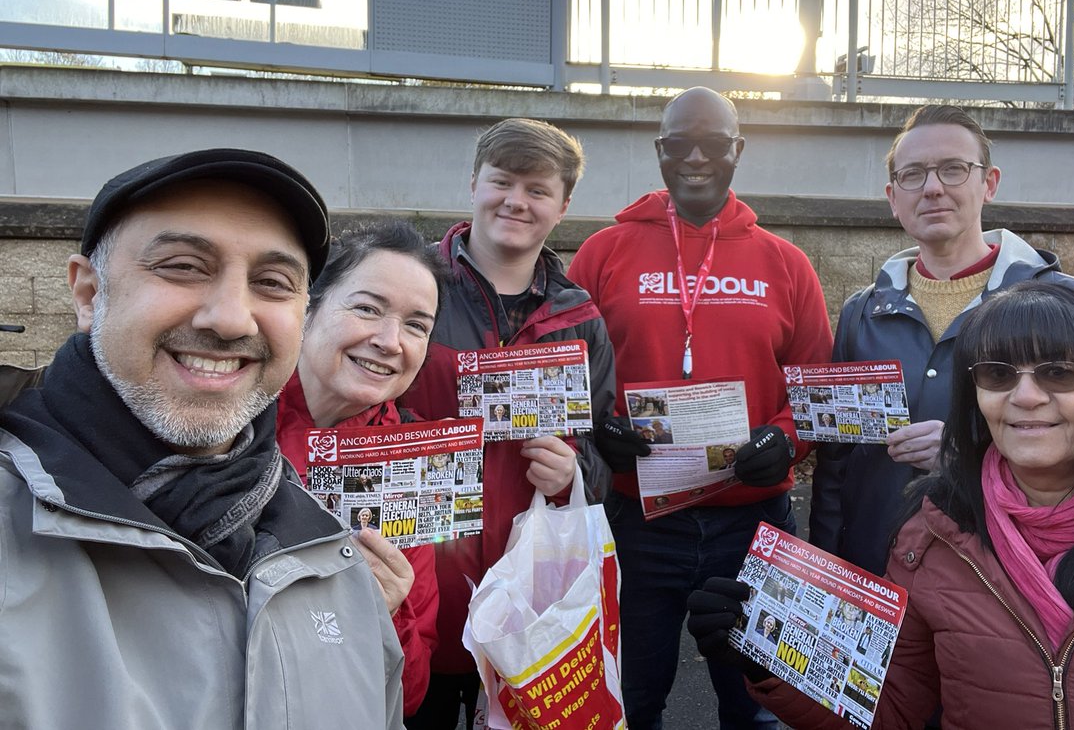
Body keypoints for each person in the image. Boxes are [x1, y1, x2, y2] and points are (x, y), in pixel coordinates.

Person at [0, 149, 405, 728]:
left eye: (272, 282)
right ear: (89, 293)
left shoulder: (333, 563)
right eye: (183, 266)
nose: (232, 318)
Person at [688, 282, 1074, 728]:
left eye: (1058, 372)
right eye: (998, 374)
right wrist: (769, 658)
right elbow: (892, 709)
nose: (1025, 396)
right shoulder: (929, 536)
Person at [568, 87, 833, 729]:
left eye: (712, 144)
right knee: (630, 703)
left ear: (737, 150)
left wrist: (787, 441)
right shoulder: (603, 253)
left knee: (760, 707)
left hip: (752, 523)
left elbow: (816, 388)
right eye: (676, 144)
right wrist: (598, 429)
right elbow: (569, 374)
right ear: (658, 151)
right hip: (636, 520)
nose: (694, 158)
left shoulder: (785, 264)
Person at [810, 104, 1074, 577]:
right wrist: (826, 564)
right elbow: (837, 462)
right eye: (913, 174)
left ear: (988, 182)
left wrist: (965, 454)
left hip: (1005, 579)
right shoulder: (860, 314)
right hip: (876, 571)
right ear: (893, 196)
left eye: (953, 169)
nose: (932, 188)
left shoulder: (1071, 305)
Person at [401, 117, 616, 729]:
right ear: (474, 184)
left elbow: (604, 454)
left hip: (533, 599)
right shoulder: (411, 288)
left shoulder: (581, 316)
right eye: (502, 182)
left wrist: (575, 471)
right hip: (423, 584)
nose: (516, 201)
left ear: (563, 205)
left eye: (538, 189)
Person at [274, 220, 451, 718]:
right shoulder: (224, 419)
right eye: (368, 308)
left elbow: (408, 695)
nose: (391, 340)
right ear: (308, 308)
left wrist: (388, 613)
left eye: (417, 325)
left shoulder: (408, 467)